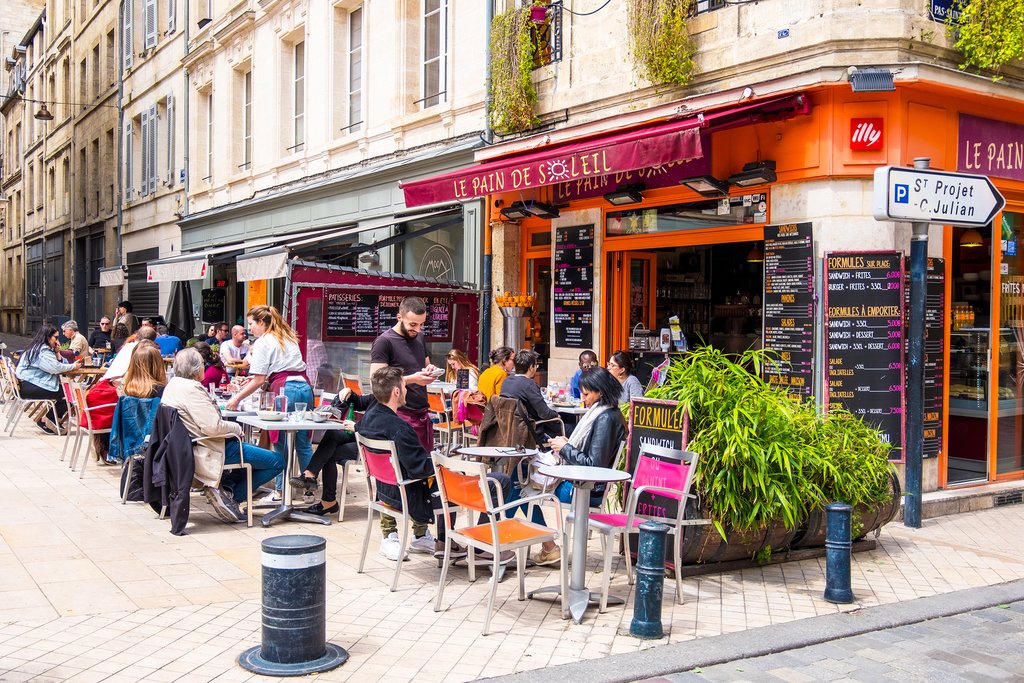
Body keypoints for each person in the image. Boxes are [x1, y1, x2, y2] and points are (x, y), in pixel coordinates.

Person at [356, 367, 510, 563]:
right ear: (396, 391)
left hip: (387, 493)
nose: (406, 391)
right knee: (498, 481)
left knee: (450, 475)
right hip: (414, 498)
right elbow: (420, 469)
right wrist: (443, 461)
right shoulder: (399, 428)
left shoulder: (366, 421)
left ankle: (445, 543)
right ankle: (482, 547)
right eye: (404, 387)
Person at [162, 348, 284, 522]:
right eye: (202, 365)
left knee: (255, 454)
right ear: (196, 369)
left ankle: (225, 487)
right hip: (210, 447)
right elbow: (213, 427)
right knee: (277, 461)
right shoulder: (192, 389)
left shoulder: (173, 385)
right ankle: (232, 495)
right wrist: (236, 429)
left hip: (188, 447)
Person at [225, 305, 314, 498]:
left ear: (261, 322)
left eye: (251, 323)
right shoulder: (287, 337)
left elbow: (259, 380)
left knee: (281, 443)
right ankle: (309, 492)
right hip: (305, 388)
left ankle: (281, 492)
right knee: (303, 443)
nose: (249, 328)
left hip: (285, 390)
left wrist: (236, 399)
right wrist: (258, 380)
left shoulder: (263, 342)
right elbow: (278, 371)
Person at [547, 367, 627, 507]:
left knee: (522, 479)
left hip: (586, 489)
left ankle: (509, 518)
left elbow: (593, 466)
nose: (583, 399)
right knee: (522, 477)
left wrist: (565, 448)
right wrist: (568, 445)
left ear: (600, 392)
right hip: (585, 484)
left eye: (586, 394)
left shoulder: (605, 418)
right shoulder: (607, 413)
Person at [369, 296, 440, 452]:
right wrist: (412, 379)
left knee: (425, 463)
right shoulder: (384, 342)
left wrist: (430, 369)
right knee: (406, 465)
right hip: (399, 414)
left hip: (422, 412)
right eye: (413, 324)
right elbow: (376, 381)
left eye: (421, 324)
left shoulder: (420, 337)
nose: (418, 329)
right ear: (399, 317)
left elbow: (425, 365)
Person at [289, 387, 371, 516]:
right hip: (361, 434)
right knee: (332, 434)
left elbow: (381, 426)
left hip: (371, 443)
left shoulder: (394, 400)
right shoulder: (379, 396)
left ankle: (327, 500)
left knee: (329, 452)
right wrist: (348, 391)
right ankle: (310, 475)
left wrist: (357, 427)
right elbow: (359, 402)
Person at [14, 325, 82, 433]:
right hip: (29, 386)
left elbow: (59, 364)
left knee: (67, 392)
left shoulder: (39, 347)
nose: (57, 341)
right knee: (69, 394)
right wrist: (73, 366)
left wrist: (57, 352)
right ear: (47, 337)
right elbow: (55, 368)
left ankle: (49, 420)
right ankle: (49, 420)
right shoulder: (43, 351)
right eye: (56, 337)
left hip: (28, 384)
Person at [500, 349, 561, 438]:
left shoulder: (506, 381)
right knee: (572, 428)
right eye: (536, 365)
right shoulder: (529, 385)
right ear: (531, 367)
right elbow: (545, 414)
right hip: (531, 432)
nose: (536, 368)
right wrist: (557, 415)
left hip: (509, 429)